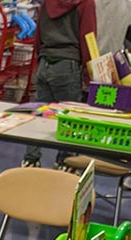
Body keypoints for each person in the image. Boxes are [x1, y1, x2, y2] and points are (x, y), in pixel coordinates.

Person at [20, 0, 96, 168]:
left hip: (45, 60)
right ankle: (65, 162)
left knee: (40, 113)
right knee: (70, 117)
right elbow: (87, 37)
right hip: (68, 63)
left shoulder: (47, 2)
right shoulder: (86, 3)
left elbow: (38, 33)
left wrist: (41, 58)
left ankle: (31, 159)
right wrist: (88, 71)